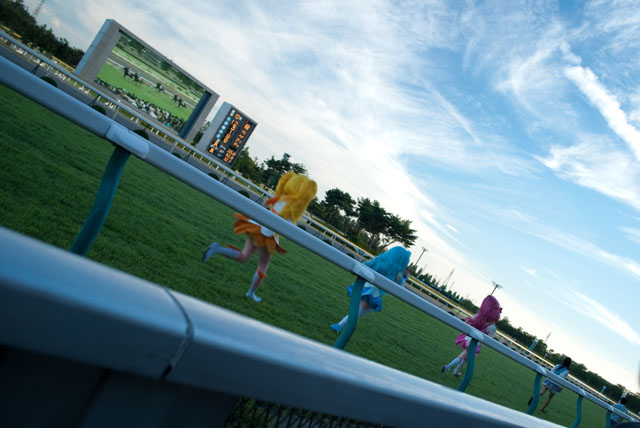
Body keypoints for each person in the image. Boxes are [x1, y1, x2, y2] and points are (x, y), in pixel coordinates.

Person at [202, 171, 317, 302]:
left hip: (256, 227)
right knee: (262, 266)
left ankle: (216, 249)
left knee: (244, 256)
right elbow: (289, 228)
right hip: (267, 236)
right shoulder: (292, 207)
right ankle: (251, 293)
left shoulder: (281, 198)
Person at [330, 246, 411, 332]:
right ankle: (339, 326)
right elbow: (400, 288)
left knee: (356, 311)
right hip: (372, 293)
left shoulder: (379, 261)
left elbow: (365, 266)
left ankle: (340, 326)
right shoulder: (397, 273)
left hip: (364, 287)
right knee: (357, 313)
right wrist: (404, 276)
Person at [441, 295, 502, 375]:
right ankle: (448, 366)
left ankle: (456, 370)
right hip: (474, 343)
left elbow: (468, 325)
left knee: (467, 357)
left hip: (467, 338)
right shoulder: (491, 326)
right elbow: (489, 340)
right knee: (463, 356)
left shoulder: (477, 316)